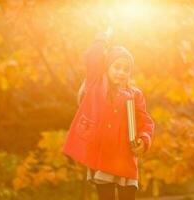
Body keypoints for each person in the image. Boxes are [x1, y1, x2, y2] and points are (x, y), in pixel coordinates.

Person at [62, 29, 155, 200]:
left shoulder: (135, 94)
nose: (121, 72)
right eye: (117, 67)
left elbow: (145, 121)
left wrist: (144, 140)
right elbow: (93, 58)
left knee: (128, 196)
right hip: (103, 156)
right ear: (107, 68)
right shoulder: (97, 85)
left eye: (126, 69)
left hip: (125, 157)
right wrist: (102, 38)